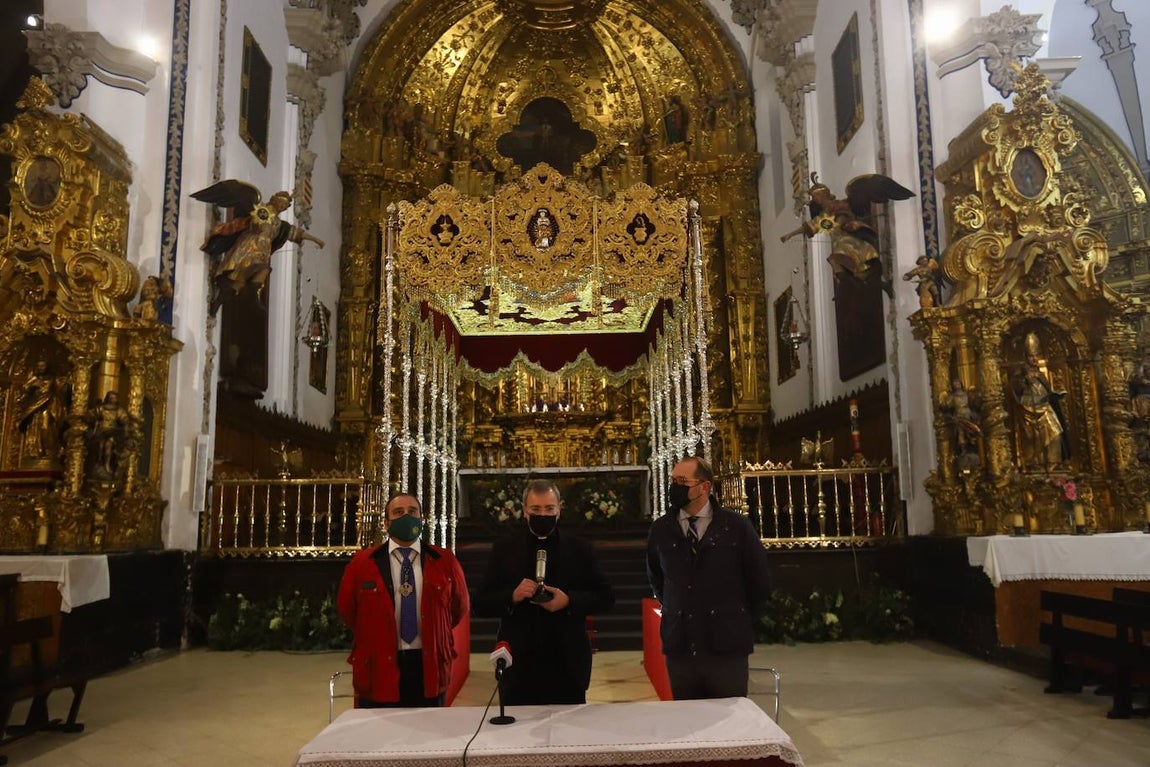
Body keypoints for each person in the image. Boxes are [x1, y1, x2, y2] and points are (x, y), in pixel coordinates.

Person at [475, 479, 615, 705]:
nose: (543, 514)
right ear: (524, 511)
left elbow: (606, 597)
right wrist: (512, 595)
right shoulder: (504, 549)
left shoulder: (579, 549)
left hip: (567, 664)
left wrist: (569, 601)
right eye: (536, 509)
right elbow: (480, 603)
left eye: (549, 509)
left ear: (559, 510)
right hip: (518, 664)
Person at [646, 456, 772, 700]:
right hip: (681, 645)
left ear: (704, 486)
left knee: (729, 719)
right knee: (688, 722)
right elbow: (657, 578)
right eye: (673, 481)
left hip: (725, 644)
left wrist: (734, 616)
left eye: (682, 481)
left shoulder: (736, 526)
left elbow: (759, 581)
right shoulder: (661, 528)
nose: (675, 487)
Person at [337, 493, 469, 707]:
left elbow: (458, 607)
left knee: (429, 732)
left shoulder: (444, 560)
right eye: (398, 513)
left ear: (421, 519)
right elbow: (348, 609)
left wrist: (435, 626)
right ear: (386, 523)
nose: (406, 517)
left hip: (428, 663)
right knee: (379, 733)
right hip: (379, 662)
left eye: (412, 512)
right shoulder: (362, 563)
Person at [192, 181, 325, 314]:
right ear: (274, 200)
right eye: (281, 203)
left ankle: (252, 295)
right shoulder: (260, 208)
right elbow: (251, 221)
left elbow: (297, 233)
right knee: (242, 275)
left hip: (262, 254)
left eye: (284, 206)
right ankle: (226, 299)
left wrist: (316, 240)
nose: (282, 207)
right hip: (248, 248)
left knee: (256, 273)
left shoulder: (280, 225)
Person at [18, 359, 64, 467]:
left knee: (46, 428)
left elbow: (60, 390)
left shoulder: (52, 378)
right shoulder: (34, 378)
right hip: (34, 408)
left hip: (47, 406)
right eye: (39, 366)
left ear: (47, 367)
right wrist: (32, 386)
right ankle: (34, 451)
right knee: (34, 430)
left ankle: (48, 451)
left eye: (43, 366)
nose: (41, 368)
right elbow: (24, 388)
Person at [86, 390, 134, 481]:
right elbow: (92, 414)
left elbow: (124, 419)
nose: (113, 400)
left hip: (112, 432)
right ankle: (99, 461)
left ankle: (107, 465)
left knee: (108, 447)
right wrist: (92, 416)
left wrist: (125, 424)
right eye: (111, 398)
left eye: (114, 398)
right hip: (101, 432)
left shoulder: (118, 410)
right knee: (100, 446)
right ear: (108, 398)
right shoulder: (101, 408)